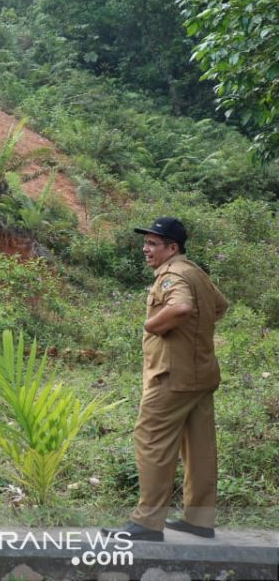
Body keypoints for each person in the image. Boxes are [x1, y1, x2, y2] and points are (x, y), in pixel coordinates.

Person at [103, 217, 228, 542]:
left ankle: (146, 523)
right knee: (199, 448)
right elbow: (220, 305)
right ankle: (199, 521)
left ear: (172, 248)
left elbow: (182, 307)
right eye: (145, 243)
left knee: (151, 442)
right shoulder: (195, 271)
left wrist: (152, 325)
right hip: (201, 375)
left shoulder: (173, 275)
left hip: (171, 378)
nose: (146, 249)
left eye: (154, 243)